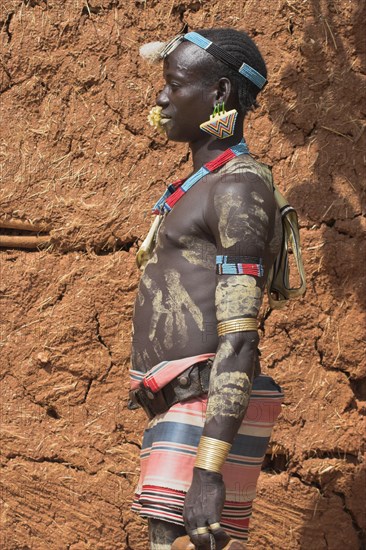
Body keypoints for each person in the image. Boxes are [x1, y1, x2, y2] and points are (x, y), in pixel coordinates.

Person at [129, 28, 284, 550]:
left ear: (220, 94)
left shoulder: (237, 187)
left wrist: (210, 469)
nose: (161, 97)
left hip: (206, 407)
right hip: (181, 404)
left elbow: (240, 338)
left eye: (174, 84)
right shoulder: (198, 184)